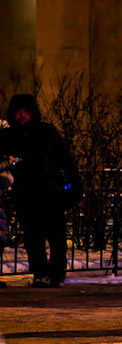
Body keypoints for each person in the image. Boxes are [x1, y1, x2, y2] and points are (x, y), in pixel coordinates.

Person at [0, 94, 81, 287]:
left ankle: (56, 273)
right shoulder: (10, 136)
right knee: (33, 236)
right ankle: (41, 273)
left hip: (50, 191)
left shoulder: (46, 133)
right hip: (27, 192)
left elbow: (65, 159)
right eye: (18, 111)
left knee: (55, 235)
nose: (21, 116)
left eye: (25, 111)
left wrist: (75, 182)